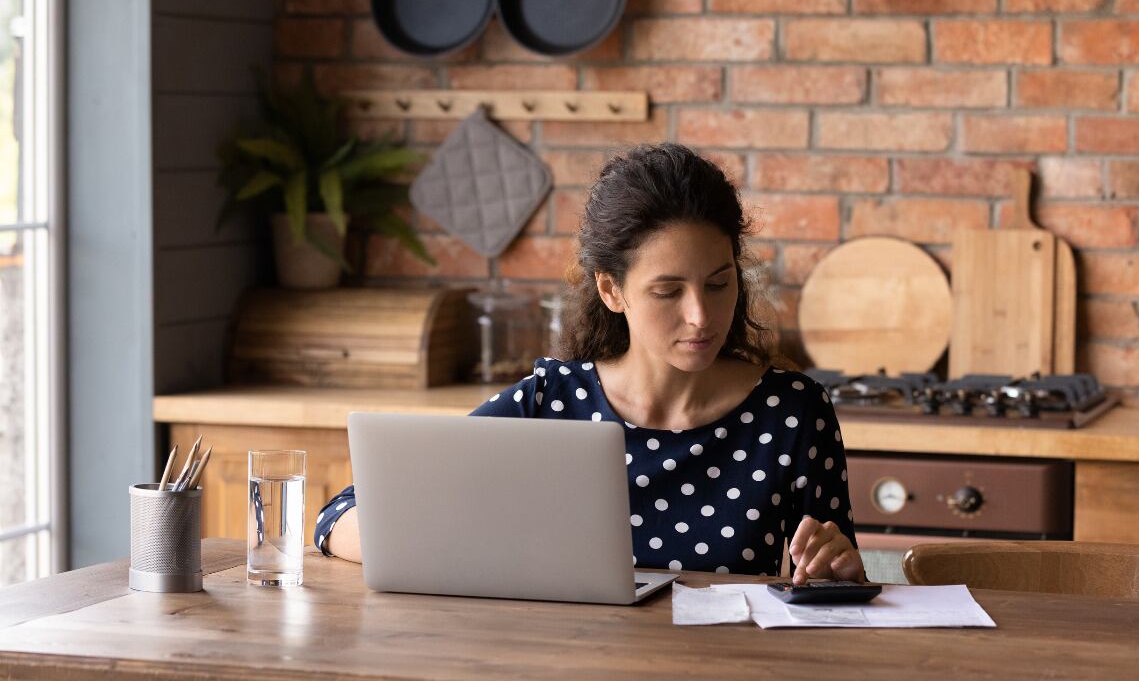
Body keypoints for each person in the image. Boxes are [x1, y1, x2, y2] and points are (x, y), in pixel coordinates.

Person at [315, 143, 865, 585]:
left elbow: (839, 585)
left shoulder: (793, 411)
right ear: (612, 290)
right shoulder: (552, 403)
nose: (701, 316)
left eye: (719, 284)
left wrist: (836, 570)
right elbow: (340, 511)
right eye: (668, 291)